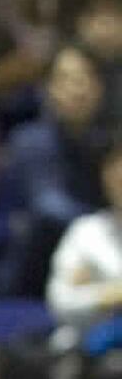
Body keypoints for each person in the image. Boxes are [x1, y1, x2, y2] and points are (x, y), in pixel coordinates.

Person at [0, 43, 114, 297]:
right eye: (65, 79)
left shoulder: (111, 144)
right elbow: (49, 207)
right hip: (33, 273)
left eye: (85, 79)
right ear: (49, 88)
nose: (76, 89)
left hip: (100, 268)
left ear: (100, 88)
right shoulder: (29, 141)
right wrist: (108, 231)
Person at [47, 144, 122, 339]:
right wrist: (110, 295)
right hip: (88, 346)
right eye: (115, 171)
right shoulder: (85, 233)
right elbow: (61, 302)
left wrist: (92, 289)